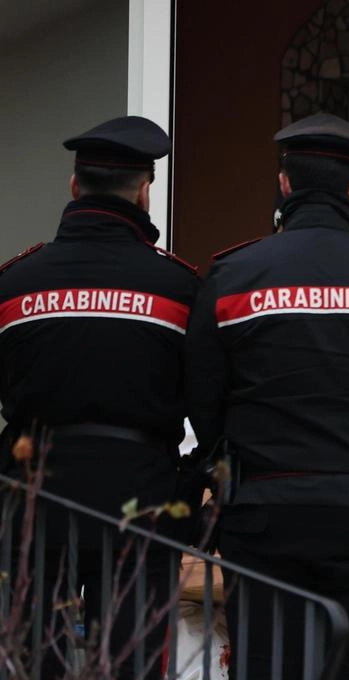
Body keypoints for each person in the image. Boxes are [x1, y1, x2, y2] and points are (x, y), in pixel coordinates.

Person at [184, 112, 349, 680]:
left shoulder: (233, 275)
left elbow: (202, 394)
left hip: (263, 516)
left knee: (266, 666)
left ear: (285, 184)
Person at [0, 116, 199, 676]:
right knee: (132, 662)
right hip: (140, 505)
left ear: (73, 186)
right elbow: (211, 400)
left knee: (39, 661)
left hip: (37, 507)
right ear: (144, 192)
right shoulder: (180, 289)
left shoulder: (15, 283)